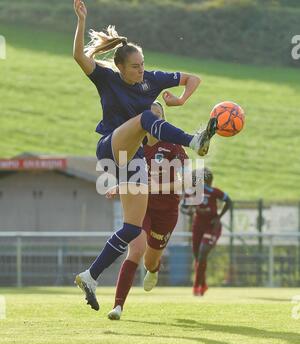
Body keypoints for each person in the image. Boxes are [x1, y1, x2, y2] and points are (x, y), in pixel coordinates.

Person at [73, 0, 217, 311]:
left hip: (134, 159)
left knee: (131, 228)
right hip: (112, 147)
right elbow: (77, 56)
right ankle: (195, 139)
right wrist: (81, 21)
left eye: (143, 64)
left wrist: (179, 100)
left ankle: (90, 275)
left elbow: (194, 79)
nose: (141, 70)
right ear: (121, 67)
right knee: (145, 118)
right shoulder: (106, 78)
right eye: (135, 66)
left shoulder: (151, 79)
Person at [106, 101, 189, 320]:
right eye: (150, 114)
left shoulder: (173, 146)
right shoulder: (135, 146)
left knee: (150, 261)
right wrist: (120, 186)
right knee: (136, 248)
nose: (154, 118)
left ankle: (153, 270)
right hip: (141, 207)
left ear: (163, 120)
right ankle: (118, 306)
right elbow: (128, 175)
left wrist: (156, 187)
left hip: (167, 212)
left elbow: (186, 181)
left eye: (158, 114)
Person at [181, 168, 232, 296]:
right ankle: (203, 285)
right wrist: (190, 211)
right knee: (198, 256)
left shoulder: (213, 191)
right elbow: (183, 207)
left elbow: (229, 201)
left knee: (203, 253)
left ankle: (197, 287)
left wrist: (219, 218)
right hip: (198, 225)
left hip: (211, 226)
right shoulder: (192, 192)